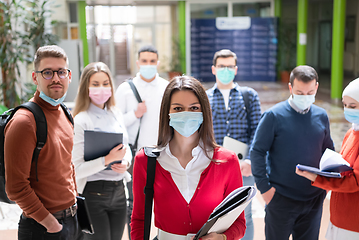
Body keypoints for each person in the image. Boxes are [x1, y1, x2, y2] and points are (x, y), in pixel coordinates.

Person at [131, 76, 246, 240]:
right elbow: (139, 220)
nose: (186, 114)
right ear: (167, 113)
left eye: (193, 108)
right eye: (178, 108)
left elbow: (239, 224)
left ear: (203, 111)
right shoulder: (145, 161)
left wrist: (222, 238)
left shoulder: (228, 160)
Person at [4, 45, 83, 239]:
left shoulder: (65, 113)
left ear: (69, 76)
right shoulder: (24, 121)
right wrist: (52, 225)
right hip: (42, 227)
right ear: (35, 77)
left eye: (61, 72)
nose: (56, 78)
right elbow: (16, 188)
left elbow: (66, 165)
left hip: (72, 219)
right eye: (47, 72)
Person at [250, 65, 334, 240]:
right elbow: (257, 151)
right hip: (280, 199)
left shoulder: (321, 116)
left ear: (316, 87)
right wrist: (265, 190)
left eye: (310, 93)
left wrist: (325, 187)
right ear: (290, 88)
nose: (305, 97)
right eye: (300, 93)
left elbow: (329, 152)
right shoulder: (274, 116)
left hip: (313, 201)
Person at [72, 62, 132, 240]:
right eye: (95, 84)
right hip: (94, 194)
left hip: (120, 191)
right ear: (86, 87)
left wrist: (125, 162)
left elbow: (126, 147)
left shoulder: (115, 113)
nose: (102, 89)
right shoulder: (81, 120)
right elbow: (77, 169)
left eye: (106, 83)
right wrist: (107, 160)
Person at [206, 49, 261, 240]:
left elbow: (256, 131)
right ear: (214, 69)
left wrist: (249, 160)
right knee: (213, 216)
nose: (226, 70)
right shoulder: (205, 98)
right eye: (222, 66)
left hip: (243, 167)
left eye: (230, 66)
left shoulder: (249, 96)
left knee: (244, 215)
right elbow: (202, 134)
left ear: (236, 69)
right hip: (214, 167)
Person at [296, 78, 359, 240]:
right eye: (344, 105)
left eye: (353, 106)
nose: (347, 110)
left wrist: (317, 178)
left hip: (353, 223)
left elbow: (354, 182)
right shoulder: (351, 132)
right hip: (339, 217)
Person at [115, 45, 168, 236]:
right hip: (136, 155)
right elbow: (117, 123)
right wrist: (135, 114)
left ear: (158, 63)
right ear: (137, 63)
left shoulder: (166, 87)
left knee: (167, 204)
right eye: (144, 61)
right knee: (136, 206)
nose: (148, 65)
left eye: (152, 61)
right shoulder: (125, 89)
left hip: (163, 155)